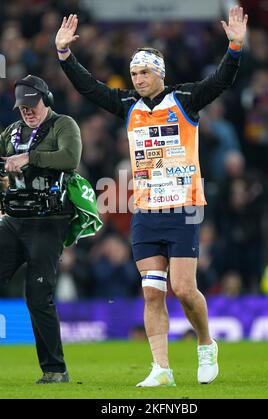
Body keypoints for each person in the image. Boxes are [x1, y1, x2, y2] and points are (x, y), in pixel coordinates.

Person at [55, 6, 248, 386]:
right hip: (145, 210)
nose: (138, 79)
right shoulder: (127, 106)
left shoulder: (186, 100)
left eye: (144, 72)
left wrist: (235, 47)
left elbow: (221, 81)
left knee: (184, 289)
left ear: (159, 72)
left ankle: (206, 344)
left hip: (184, 207)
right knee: (151, 292)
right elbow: (89, 87)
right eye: (134, 74)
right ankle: (161, 368)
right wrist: (64, 55)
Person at [0, 75, 82, 383]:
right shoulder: (11, 132)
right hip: (13, 219)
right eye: (22, 107)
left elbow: (71, 158)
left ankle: (55, 369)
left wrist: (29, 157)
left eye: (32, 106)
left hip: (48, 221)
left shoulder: (63, 125)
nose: (27, 112)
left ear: (46, 100)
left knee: (37, 295)